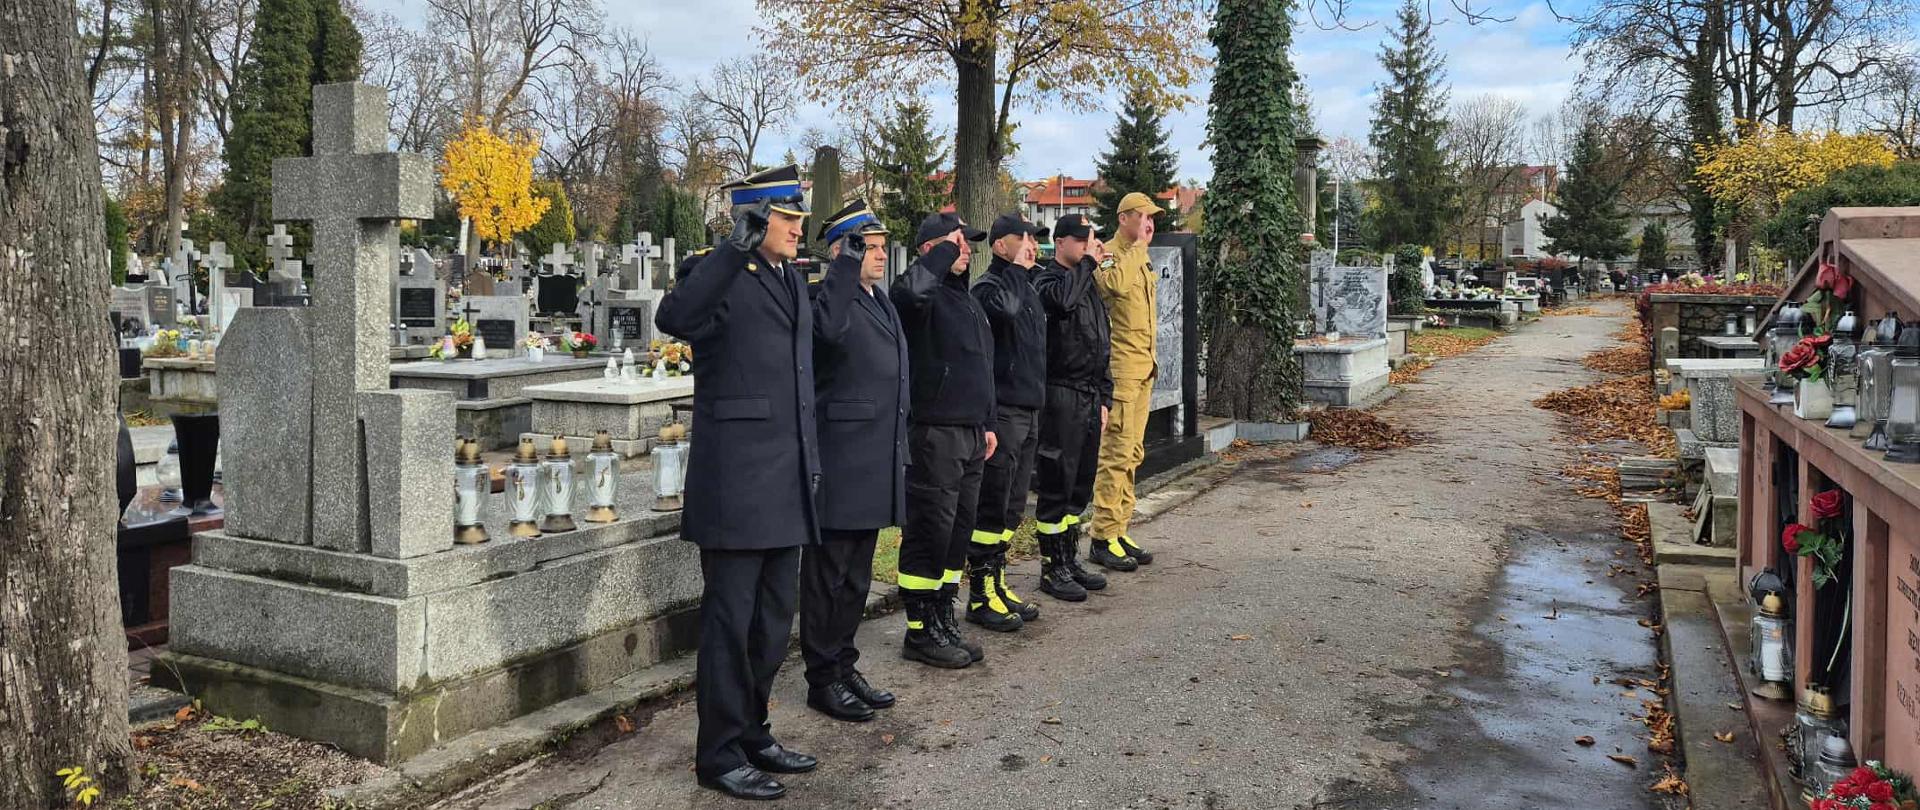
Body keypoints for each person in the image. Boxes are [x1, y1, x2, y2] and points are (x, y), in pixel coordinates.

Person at [654, 165, 821, 801]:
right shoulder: (716, 270)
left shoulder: (791, 279)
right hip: (737, 484)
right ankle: (718, 753)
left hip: (785, 483)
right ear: (754, 218)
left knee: (774, 621)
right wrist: (733, 248)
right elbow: (675, 317)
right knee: (730, 624)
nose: (798, 229)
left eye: (800, 219)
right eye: (787, 218)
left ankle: (753, 730)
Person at [800, 200, 905, 722]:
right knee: (829, 575)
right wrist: (842, 268)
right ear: (843, 250)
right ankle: (821, 676)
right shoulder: (827, 297)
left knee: (858, 575)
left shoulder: (878, 300)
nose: (881, 255)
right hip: (841, 461)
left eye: (884, 246)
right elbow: (828, 334)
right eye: (870, 247)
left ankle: (844, 662)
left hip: (874, 459)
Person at [889, 212, 995, 669]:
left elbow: (981, 368)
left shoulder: (964, 299)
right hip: (935, 431)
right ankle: (918, 629)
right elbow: (909, 292)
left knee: (957, 531)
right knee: (929, 528)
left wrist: (987, 423)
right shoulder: (919, 294)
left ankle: (942, 615)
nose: (967, 250)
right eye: (957, 242)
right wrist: (945, 248)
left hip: (970, 432)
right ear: (932, 248)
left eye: (968, 244)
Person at [965, 213, 1050, 630]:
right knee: (993, 505)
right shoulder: (990, 287)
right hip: (1004, 410)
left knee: (1013, 507)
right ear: (1000, 245)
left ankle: (997, 582)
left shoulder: (1026, 284)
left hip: (1029, 410)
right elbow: (1008, 314)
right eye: (1024, 239)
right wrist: (1017, 271)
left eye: (1035, 240)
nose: (1033, 247)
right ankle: (980, 594)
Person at [1031, 214, 1114, 601]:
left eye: (1091, 240)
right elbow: (1062, 302)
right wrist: (1086, 265)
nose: (1087, 246)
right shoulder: (1047, 279)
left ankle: (1068, 558)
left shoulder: (1088, 282)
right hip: (1060, 393)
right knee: (1056, 482)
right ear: (1060, 242)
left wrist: (1105, 396)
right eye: (1080, 240)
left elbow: (1101, 342)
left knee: (1079, 485)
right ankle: (1051, 567)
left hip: (1089, 395)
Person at [1090, 192, 1162, 572]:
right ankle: (1102, 535)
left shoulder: (1140, 255)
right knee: (1115, 454)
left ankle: (1119, 529)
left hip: (1143, 368)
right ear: (1124, 219)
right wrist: (1135, 248)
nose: (1150, 224)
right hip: (1121, 373)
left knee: (1133, 454)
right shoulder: (1111, 253)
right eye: (1143, 217)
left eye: (1152, 219)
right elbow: (1114, 286)